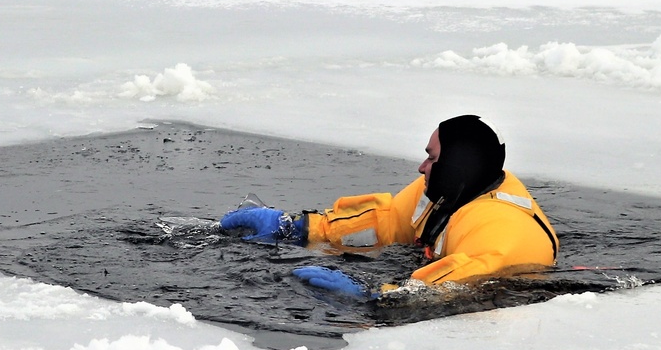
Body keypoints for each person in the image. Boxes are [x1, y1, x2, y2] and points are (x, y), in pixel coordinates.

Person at [218, 115, 558, 297]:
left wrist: (376, 295)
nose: (421, 168)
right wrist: (301, 229)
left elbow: (459, 284)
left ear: (457, 167)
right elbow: (387, 222)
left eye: (431, 158)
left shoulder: (503, 233)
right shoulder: (448, 190)